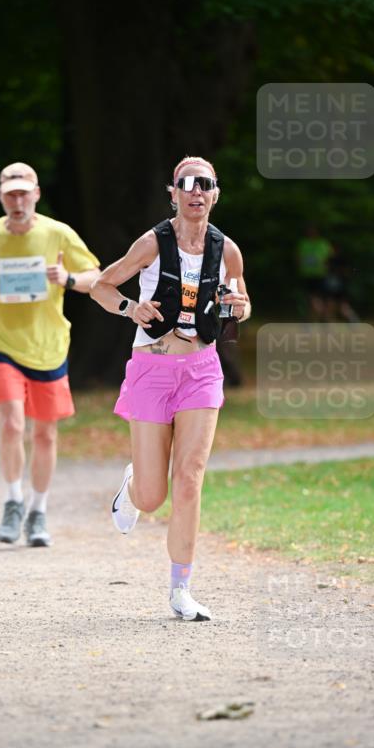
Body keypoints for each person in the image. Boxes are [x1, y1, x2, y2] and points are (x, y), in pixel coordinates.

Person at [90, 156, 251, 622]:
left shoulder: (228, 251)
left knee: (189, 478)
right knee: (151, 497)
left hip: (202, 370)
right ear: (173, 192)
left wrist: (239, 306)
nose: (196, 191)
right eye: (187, 184)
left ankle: (181, 589)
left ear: (216, 194)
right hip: (152, 368)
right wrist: (128, 308)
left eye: (205, 184)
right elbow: (102, 286)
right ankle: (132, 484)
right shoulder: (152, 243)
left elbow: (241, 303)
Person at [0, 162, 100, 547]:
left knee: (46, 434)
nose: (17, 201)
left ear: (36, 194)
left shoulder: (58, 233)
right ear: (0, 198)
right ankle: (13, 502)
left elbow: (95, 277)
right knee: (13, 424)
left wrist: (67, 279)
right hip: (1, 344)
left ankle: (38, 510)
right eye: (10, 195)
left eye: (24, 193)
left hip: (49, 347)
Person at [297, 224, 332, 321]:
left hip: (321, 274)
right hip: (308, 275)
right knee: (311, 299)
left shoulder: (323, 243)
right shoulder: (303, 243)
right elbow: (299, 258)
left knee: (321, 299)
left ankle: (323, 317)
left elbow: (329, 258)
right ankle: (322, 317)